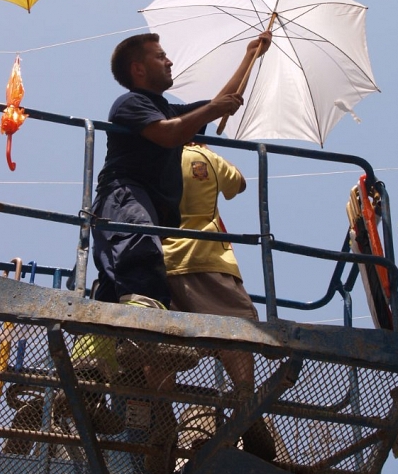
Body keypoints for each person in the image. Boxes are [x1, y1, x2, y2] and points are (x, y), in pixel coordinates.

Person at [91, 31, 271, 311]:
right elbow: (167, 134)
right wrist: (213, 109)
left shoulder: (168, 110)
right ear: (138, 69)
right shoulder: (130, 103)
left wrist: (251, 55)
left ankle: (108, 335)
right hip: (123, 195)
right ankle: (139, 313)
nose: (169, 61)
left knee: (120, 272)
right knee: (138, 237)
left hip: (149, 204)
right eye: (160, 56)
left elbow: (225, 100)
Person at [163, 144, 276, 462]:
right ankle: (244, 401)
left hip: (160, 262)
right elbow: (238, 183)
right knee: (236, 329)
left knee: (159, 341)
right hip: (207, 256)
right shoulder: (203, 155)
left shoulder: (154, 152)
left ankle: (160, 417)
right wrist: (211, 153)